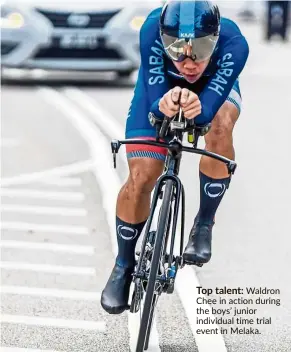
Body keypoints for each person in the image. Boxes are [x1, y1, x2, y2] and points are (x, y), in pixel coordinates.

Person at [101, 0, 249, 314]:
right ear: (165, 39)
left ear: (217, 37)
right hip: (160, 88)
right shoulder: (151, 29)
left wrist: (199, 108)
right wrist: (163, 105)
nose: (189, 62)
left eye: (201, 49)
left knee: (221, 123)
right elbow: (155, 102)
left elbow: (206, 111)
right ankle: (123, 265)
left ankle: (204, 224)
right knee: (142, 176)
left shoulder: (235, 43)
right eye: (177, 49)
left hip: (212, 92)